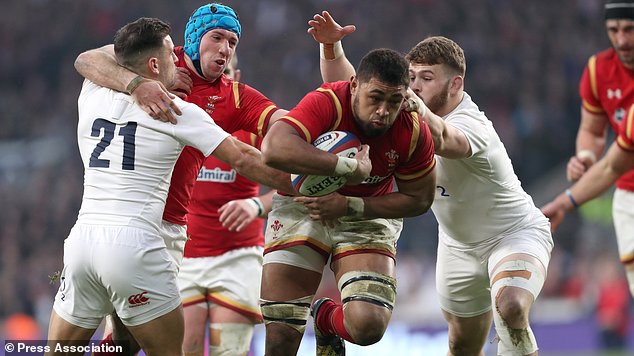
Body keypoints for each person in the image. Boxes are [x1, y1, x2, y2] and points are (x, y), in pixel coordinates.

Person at [309, 11, 554, 355]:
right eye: (411, 77)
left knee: (511, 306)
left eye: (427, 77)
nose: (416, 86)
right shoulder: (402, 116)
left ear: (455, 85)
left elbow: (443, 138)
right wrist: (331, 47)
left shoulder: (472, 123)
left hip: (514, 233)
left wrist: (419, 111)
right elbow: (356, 90)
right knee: (461, 345)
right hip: (457, 248)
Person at [45, 17, 292, 356]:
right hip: (139, 246)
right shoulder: (177, 112)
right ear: (153, 64)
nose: (178, 60)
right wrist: (317, 180)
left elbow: (89, 60)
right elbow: (246, 159)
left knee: (81, 349)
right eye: (170, 55)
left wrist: (133, 83)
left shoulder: (92, 91)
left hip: (82, 243)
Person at [259, 48, 437, 356]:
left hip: (365, 215)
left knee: (368, 326)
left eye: (394, 101)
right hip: (304, 205)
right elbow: (273, 148)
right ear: (354, 85)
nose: (383, 110)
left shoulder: (412, 130)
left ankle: (326, 320)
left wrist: (350, 206)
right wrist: (345, 168)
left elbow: (420, 199)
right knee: (280, 337)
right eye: (376, 97)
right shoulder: (327, 101)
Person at [177, 55, 275, 356]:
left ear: (235, 78)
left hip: (238, 256)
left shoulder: (255, 128)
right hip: (182, 256)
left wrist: (257, 205)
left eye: (223, 76)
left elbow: (300, 185)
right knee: (184, 348)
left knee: (229, 351)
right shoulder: (178, 124)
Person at [562, 0, 634, 298]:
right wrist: (586, 156)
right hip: (628, 194)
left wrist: (565, 201)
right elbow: (592, 131)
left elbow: (611, 166)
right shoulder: (598, 70)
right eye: (613, 30)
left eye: (630, 30)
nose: (621, 40)